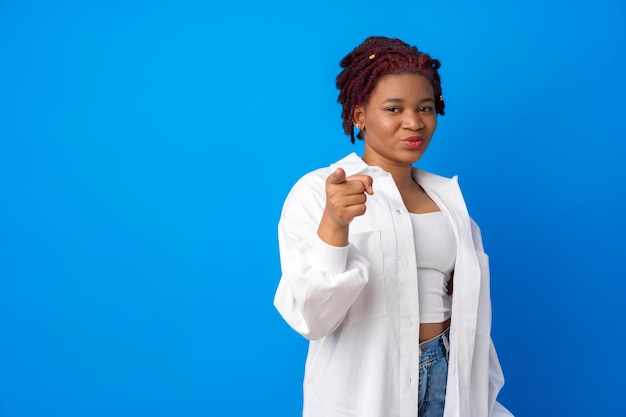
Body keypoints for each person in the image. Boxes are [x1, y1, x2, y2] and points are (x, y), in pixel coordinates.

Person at [274, 36, 513, 417]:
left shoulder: (449, 200)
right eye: (393, 108)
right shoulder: (319, 192)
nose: (413, 122)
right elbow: (313, 317)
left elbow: (470, 314)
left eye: (425, 107)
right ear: (359, 116)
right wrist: (336, 224)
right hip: (366, 388)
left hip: (448, 377)